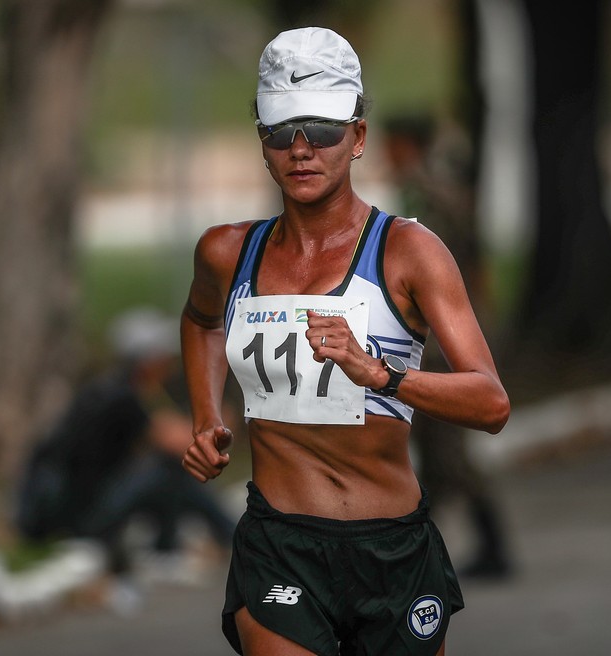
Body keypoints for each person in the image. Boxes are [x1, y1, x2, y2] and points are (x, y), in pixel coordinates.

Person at [180, 27, 509, 656]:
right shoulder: (226, 252)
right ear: (262, 141)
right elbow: (202, 321)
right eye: (281, 132)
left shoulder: (410, 252)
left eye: (323, 130)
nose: (301, 150)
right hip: (281, 545)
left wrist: (379, 373)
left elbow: (491, 404)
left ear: (357, 137)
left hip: (392, 550)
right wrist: (205, 417)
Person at [15, 307, 235, 612]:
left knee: (164, 471)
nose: (171, 362)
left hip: (75, 504)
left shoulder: (114, 388)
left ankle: (203, 539)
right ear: (147, 361)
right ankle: (214, 538)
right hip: (78, 516)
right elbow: (179, 440)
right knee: (169, 468)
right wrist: (219, 418)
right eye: (164, 356)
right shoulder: (122, 398)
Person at [384, 113, 513, 579]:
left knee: (446, 451)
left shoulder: (422, 195)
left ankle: (492, 546)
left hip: (439, 341)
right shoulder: (443, 188)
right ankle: (424, 551)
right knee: (436, 453)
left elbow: (423, 269)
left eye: (390, 144)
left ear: (405, 144)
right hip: (457, 328)